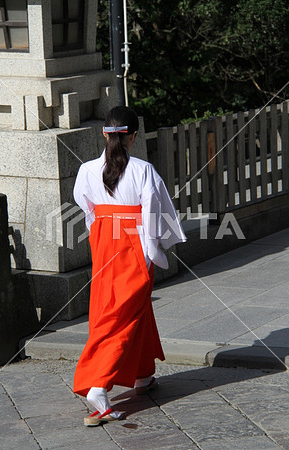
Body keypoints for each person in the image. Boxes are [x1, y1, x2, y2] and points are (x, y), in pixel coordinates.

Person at [73, 106, 186, 426]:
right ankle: (98, 385)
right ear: (133, 136)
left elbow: (87, 206)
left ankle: (142, 374)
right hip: (133, 242)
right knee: (123, 314)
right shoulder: (143, 170)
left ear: (104, 134)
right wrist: (154, 249)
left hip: (104, 239)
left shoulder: (86, 170)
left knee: (116, 307)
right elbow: (153, 214)